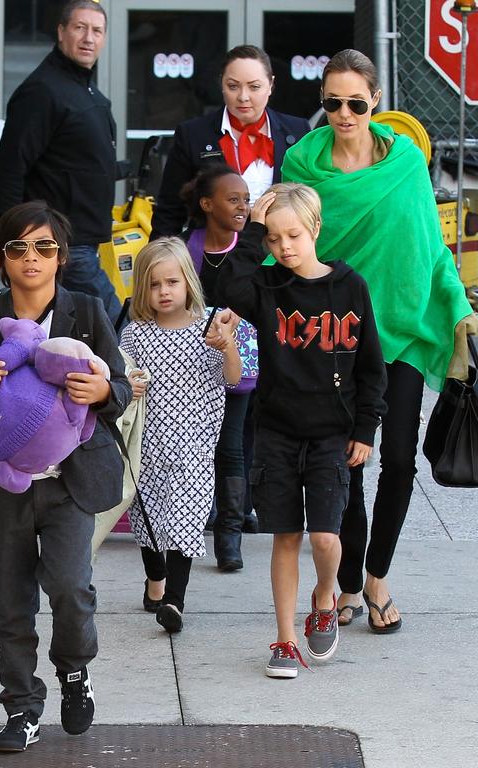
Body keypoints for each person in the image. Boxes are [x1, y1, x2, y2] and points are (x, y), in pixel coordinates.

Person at [281, 49, 476, 634]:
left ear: (376, 104)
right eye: (333, 102)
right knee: (349, 466)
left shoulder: (407, 164)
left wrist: (458, 308)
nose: (344, 114)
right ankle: (344, 583)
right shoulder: (301, 164)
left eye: (356, 103)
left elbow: (429, 247)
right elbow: (285, 246)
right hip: (335, 336)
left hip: (405, 330)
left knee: (397, 461)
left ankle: (377, 577)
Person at [0, 201, 131, 753]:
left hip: (72, 482)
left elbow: (117, 389)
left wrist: (102, 392)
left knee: (71, 588)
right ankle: (21, 707)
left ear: (61, 257)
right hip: (3, 485)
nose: (31, 258)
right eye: (18, 248)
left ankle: (75, 671)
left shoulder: (88, 312)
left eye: (43, 247)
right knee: (11, 605)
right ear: (1, 258)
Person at [219, 183, 387, 678]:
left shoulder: (349, 286)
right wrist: (251, 230)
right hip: (277, 430)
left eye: (292, 235)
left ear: (315, 229)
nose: (283, 247)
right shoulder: (269, 286)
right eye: (273, 239)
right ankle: (285, 641)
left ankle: (323, 595)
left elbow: (371, 366)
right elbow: (229, 285)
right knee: (286, 536)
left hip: (333, 433)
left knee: (324, 538)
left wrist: (366, 429)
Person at [120, 237, 241, 633]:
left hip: (194, 447)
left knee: (185, 523)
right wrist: (129, 384)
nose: (163, 291)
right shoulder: (136, 334)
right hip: (148, 445)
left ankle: (175, 600)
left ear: (187, 281)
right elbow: (121, 377)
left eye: (171, 282)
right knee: (150, 523)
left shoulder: (210, 327)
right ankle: (155, 583)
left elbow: (233, 378)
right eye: (154, 285)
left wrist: (227, 347)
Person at [0, 0, 122, 326]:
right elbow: (9, 171)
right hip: (61, 245)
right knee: (120, 329)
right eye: (80, 27)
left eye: (97, 30)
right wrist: (6, 243)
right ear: (61, 32)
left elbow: (75, 162)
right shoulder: (42, 91)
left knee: (73, 336)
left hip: (85, 244)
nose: (88, 38)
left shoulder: (87, 90)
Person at [178, 163, 261, 572]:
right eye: (234, 199)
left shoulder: (250, 249)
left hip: (237, 362)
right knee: (195, 446)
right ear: (207, 204)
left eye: (247, 199)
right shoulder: (184, 248)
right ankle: (195, 517)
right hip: (189, 364)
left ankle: (230, 536)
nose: (244, 207)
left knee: (231, 443)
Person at [152, 45, 310, 239]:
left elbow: (308, 205)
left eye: (254, 87)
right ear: (221, 84)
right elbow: (169, 211)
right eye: (233, 86)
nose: (243, 97)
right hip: (214, 256)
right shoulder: (193, 134)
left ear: (271, 85)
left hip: (278, 254)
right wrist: (159, 263)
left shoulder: (298, 131)